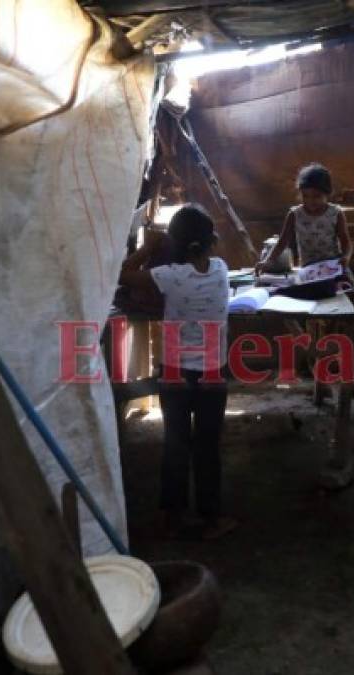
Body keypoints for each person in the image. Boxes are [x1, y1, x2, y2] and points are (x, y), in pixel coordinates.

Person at [119, 203, 236, 540]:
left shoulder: (168, 276)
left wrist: (149, 246)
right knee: (208, 446)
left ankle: (172, 517)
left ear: (173, 245)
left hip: (176, 374)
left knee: (176, 442)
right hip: (213, 374)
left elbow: (121, 274)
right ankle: (211, 519)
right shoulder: (222, 269)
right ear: (212, 241)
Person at [255, 163, 354, 299]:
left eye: (316, 196)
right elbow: (282, 242)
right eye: (305, 196)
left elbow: (346, 242)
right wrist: (268, 261)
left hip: (333, 266)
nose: (310, 201)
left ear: (327, 193)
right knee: (308, 295)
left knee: (353, 296)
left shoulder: (335, 213)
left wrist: (346, 258)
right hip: (310, 270)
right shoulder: (295, 214)